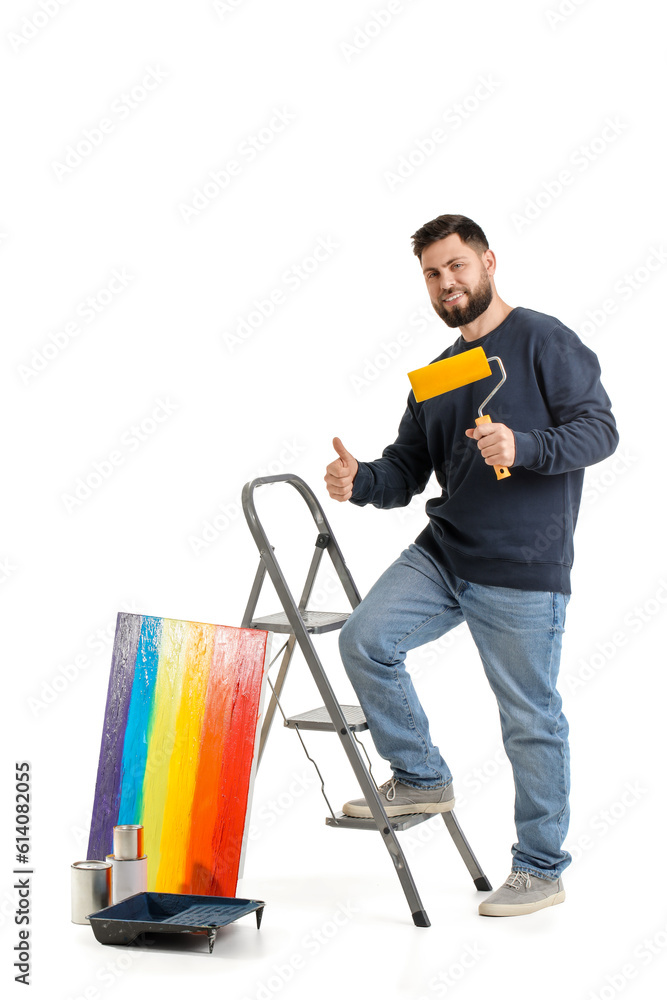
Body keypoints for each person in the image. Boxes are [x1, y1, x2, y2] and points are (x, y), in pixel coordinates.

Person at [324, 213, 618, 917]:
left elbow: (599, 429)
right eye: (432, 273)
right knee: (364, 640)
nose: (445, 282)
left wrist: (525, 446)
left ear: (487, 261)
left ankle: (540, 868)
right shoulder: (438, 371)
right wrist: (359, 478)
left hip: (521, 564)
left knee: (528, 717)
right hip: (444, 551)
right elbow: (405, 470)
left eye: (456, 266)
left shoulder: (544, 339)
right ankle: (420, 775)